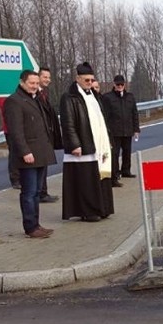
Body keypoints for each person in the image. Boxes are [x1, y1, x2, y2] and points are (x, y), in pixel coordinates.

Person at [3, 70, 57, 238]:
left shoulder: (36, 99)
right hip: (28, 155)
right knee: (29, 192)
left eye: (36, 83)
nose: (34, 86)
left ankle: (36, 224)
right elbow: (15, 131)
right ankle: (30, 227)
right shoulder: (14, 101)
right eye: (31, 83)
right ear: (22, 82)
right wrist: (25, 151)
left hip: (41, 152)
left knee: (36, 192)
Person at [59, 62, 114, 222]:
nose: (90, 83)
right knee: (86, 180)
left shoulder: (94, 96)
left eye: (91, 80)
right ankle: (88, 211)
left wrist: (107, 140)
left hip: (98, 145)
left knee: (100, 177)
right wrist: (74, 144)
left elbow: (102, 120)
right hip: (83, 144)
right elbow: (67, 123)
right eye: (86, 80)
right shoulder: (69, 97)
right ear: (78, 79)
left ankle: (103, 207)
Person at [102, 74, 140, 188]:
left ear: (125, 84)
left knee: (127, 151)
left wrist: (136, 129)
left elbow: (134, 113)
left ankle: (126, 171)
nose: (120, 86)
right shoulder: (108, 97)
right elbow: (105, 115)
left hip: (127, 130)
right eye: (117, 84)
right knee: (114, 154)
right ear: (114, 84)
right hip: (114, 131)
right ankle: (115, 174)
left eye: (122, 84)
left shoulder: (130, 97)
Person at [36, 66, 61, 203]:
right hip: (41, 136)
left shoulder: (43, 93)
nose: (48, 80)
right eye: (45, 77)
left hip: (47, 135)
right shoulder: (36, 95)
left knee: (44, 165)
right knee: (40, 166)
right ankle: (40, 193)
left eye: (49, 77)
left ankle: (43, 192)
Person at [0, 96, 21, 189]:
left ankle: (21, 177)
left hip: (21, 127)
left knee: (21, 152)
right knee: (14, 153)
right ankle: (15, 178)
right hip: (10, 129)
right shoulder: (4, 95)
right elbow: (6, 109)